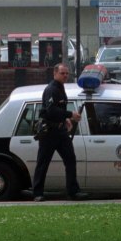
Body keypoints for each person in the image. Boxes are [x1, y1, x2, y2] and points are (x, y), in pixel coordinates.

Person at [32, 63, 86, 202]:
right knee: (43, 162)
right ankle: (37, 193)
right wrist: (70, 115)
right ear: (55, 73)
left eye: (67, 73)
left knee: (70, 160)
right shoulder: (51, 89)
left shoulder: (61, 88)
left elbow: (58, 109)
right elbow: (50, 110)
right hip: (49, 132)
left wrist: (65, 119)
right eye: (62, 73)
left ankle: (73, 191)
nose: (65, 76)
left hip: (61, 132)